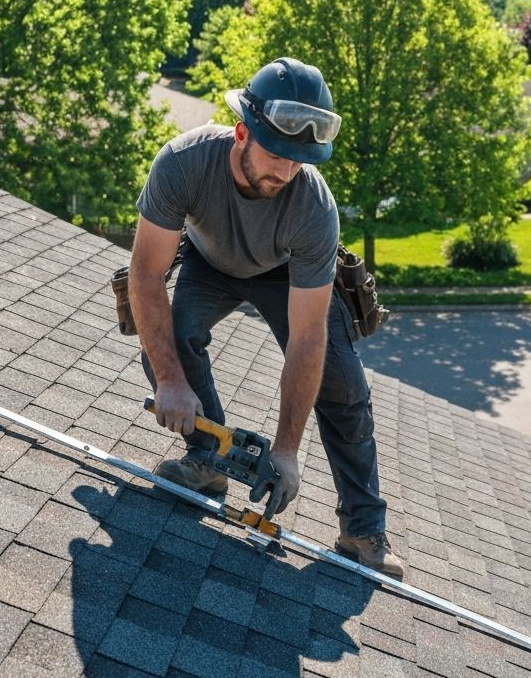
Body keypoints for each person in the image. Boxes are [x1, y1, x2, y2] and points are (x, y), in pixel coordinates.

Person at [129, 57, 403, 579]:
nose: (286, 170)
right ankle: (207, 461)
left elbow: (306, 336)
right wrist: (169, 381)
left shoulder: (313, 207)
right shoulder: (184, 162)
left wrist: (286, 451)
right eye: (277, 153)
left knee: (343, 384)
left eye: (300, 160)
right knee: (167, 339)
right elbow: (145, 276)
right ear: (241, 132)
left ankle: (363, 529)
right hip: (209, 263)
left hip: (285, 275)